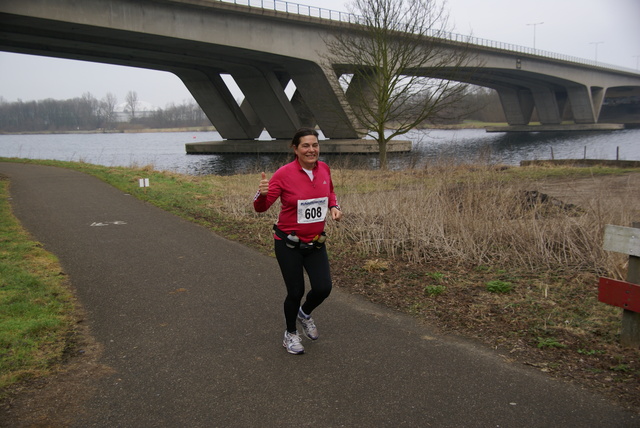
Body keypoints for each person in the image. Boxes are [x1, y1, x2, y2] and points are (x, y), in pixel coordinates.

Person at [253, 127, 342, 354]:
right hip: (288, 244)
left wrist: (334, 206)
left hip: (315, 243)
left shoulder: (324, 169)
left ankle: (304, 313)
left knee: (323, 288)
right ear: (295, 148)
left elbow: (330, 191)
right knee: (295, 291)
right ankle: (290, 334)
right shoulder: (284, 174)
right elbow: (261, 208)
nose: (311, 150)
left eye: (315, 145)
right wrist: (261, 194)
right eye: (305, 145)